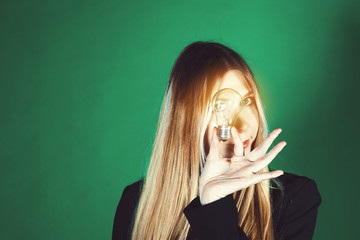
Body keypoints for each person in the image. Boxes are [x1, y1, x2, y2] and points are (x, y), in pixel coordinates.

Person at [112, 41, 322, 240]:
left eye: (246, 101)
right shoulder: (136, 202)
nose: (243, 124)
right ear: (186, 117)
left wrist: (215, 205)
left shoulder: (293, 198)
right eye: (221, 105)